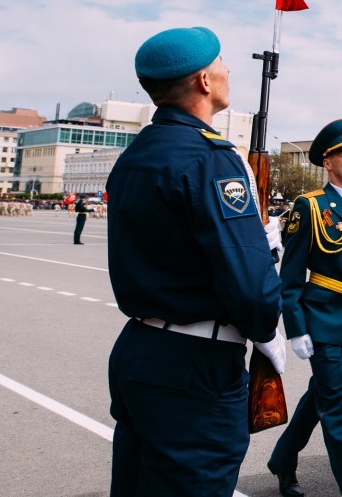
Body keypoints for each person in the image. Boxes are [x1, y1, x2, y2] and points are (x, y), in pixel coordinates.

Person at [107, 26, 285, 496]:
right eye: (222, 62)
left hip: (140, 350)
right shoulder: (211, 158)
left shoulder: (136, 155)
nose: (228, 70)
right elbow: (250, 285)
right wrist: (267, 325)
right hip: (196, 364)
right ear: (205, 81)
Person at [267, 119, 342, 497]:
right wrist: (297, 327)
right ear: (327, 161)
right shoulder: (310, 206)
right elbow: (290, 277)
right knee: (337, 410)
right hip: (320, 321)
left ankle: (283, 458)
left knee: (321, 397)